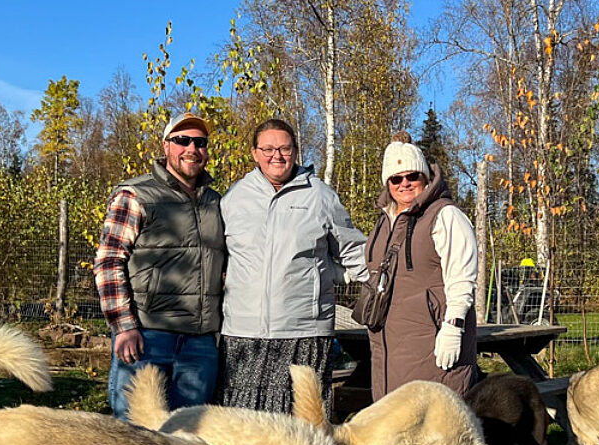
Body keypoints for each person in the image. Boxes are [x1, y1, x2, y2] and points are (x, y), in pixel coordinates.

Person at [216, 118, 369, 416]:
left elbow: (353, 249)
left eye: (285, 148)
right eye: (269, 148)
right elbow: (215, 258)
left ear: (296, 151)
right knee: (245, 430)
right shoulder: (234, 198)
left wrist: (390, 282)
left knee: (302, 429)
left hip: (304, 332)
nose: (277, 155)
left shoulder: (320, 196)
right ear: (254, 153)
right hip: (244, 334)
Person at [94, 111, 225, 418]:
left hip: (200, 343)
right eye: (182, 140)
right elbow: (109, 261)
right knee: (135, 438)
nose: (191, 149)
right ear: (166, 146)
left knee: (189, 439)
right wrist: (124, 327)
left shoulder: (216, 203)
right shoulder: (136, 195)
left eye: (200, 142)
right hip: (147, 338)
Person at [365, 132, 479, 399]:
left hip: (432, 342)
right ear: (387, 183)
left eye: (412, 176)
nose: (404, 183)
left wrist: (453, 325)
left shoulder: (445, 215)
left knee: (436, 420)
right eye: (396, 178)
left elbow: (462, 275)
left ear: (426, 177)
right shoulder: (385, 221)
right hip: (389, 342)